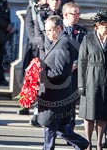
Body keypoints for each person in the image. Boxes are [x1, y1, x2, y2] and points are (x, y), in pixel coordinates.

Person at [37, 15, 89, 150]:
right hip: (55, 93)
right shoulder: (59, 42)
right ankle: (82, 144)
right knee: (58, 127)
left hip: (56, 93)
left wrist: (41, 76)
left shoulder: (63, 43)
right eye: (46, 31)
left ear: (58, 28)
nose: (47, 34)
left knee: (50, 124)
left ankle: (48, 148)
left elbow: (60, 71)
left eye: (49, 30)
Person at [78, 9, 107, 150]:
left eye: (106, 24)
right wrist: (81, 84)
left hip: (105, 80)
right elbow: (82, 62)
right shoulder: (88, 38)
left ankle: (99, 143)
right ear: (97, 25)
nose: (105, 27)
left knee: (103, 114)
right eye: (102, 24)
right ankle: (88, 142)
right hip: (90, 79)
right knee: (89, 113)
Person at [62, 2, 87, 130]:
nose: (77, 16)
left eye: (78, 13)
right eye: (74, 14)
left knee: (71, 104)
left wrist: (76, 64)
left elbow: (84, 51)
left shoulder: (82, 31)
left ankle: (69, 130)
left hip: (74, 73)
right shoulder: (56, 28)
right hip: (59, 72)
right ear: (66, 15)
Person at [0, 0, 13, 86]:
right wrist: (6, 25)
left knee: (1, 56)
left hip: (2, 34)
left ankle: (1, 78)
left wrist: (9, 25)